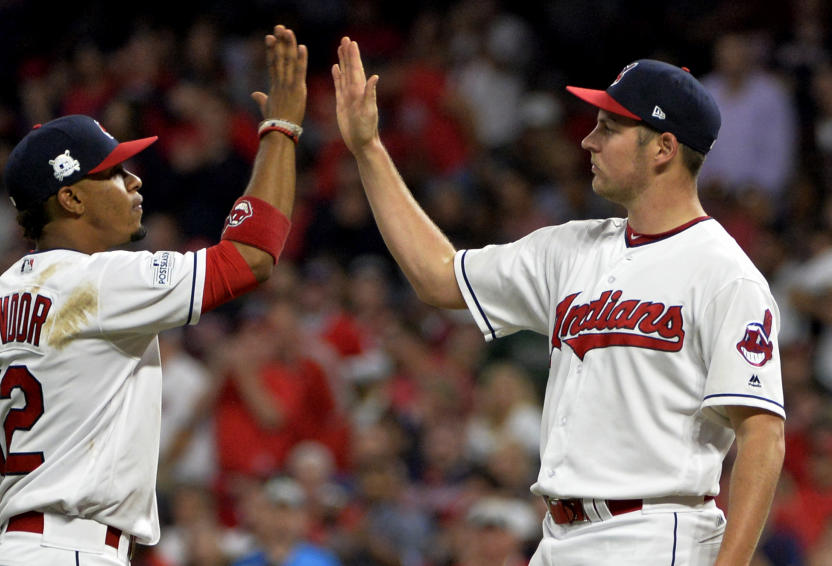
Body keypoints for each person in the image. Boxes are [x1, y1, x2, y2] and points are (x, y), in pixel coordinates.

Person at [333, 38, 785, 566]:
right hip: (557, 538)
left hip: (656, 534)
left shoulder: (725, 276)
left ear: (664, 148)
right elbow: (438, 278)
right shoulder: (569, 249)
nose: (588, 141)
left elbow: (762, 435)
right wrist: (369, 150)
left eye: (610, 129)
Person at [0, 25, 307, 566]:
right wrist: (282, 129)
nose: (135, 182)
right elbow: (252, 256)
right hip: (78, 548)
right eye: (113, 173)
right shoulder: (102, 281)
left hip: (11, 549)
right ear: (70, 198)